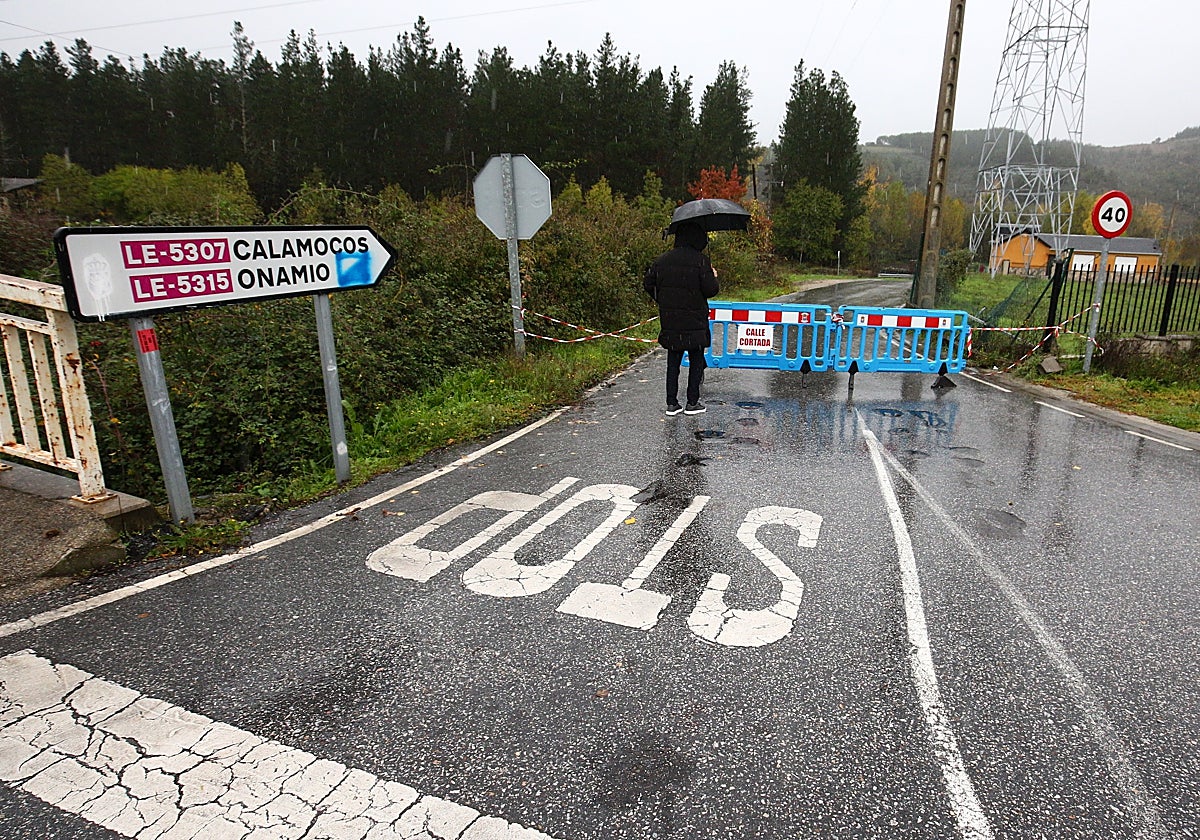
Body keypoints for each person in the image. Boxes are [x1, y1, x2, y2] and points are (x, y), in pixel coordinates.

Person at [643, 222, 720, 415]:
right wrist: (713, 275)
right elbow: (712, 290)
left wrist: (662, 299)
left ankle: (672, 403)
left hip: (671, 318)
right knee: (696, 359)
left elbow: (648, 283)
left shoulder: (663, 260)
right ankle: (692, 402)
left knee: (673, 360)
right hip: (695, 319)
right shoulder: (700, 261)